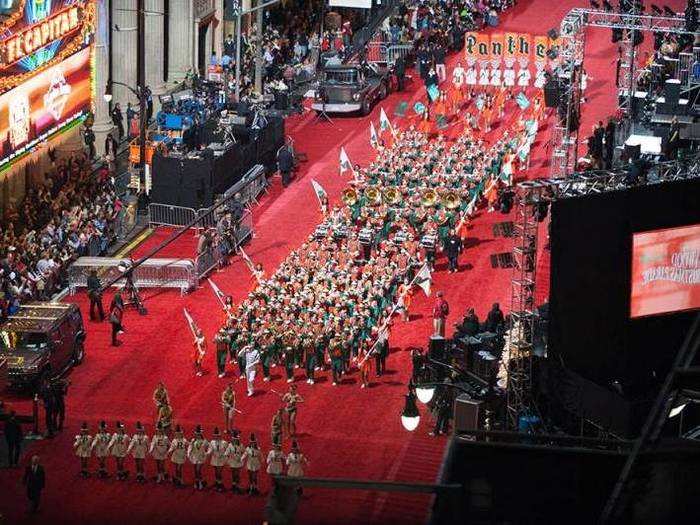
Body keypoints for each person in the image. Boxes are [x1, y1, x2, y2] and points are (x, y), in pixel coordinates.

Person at [187, 425, 209, 490]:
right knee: (195, 470)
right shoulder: (193, 440)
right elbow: (190, 447)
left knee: (198, 469)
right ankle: (198, 481)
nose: (197, 435)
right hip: (194, 457)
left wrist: (207, 453)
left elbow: (210, 447)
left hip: (201, 458)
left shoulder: (204, 441)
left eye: (198, 434)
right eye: (196, 434)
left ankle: (199, 482)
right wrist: (188, 454)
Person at [208, 427, 229, 492]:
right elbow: (210, 449)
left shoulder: (224, 443)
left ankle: (220, 484)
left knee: (219, 472)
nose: (216, 437)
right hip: (214, 459)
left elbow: (227, 450)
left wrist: (225, 455)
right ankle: (217, 482)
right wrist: (207, 453)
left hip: (221, 459)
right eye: (215, 436)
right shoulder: (212, 442)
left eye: (218, 436)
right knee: (216, 471)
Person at [226, 429, 245, 494]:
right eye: (234, 439)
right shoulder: (230, 446)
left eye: (236, 439)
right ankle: (234, 485)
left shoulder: (241, 445)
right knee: (233, 474)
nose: (235, 440)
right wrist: (228, 459)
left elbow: (244, 453)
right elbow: (226, 453)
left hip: (238, 462)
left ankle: (237, 486)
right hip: (232, 462)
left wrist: (241, 458)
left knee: (237, 474)